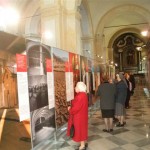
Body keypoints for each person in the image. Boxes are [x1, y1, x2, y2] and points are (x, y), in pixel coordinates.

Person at [67, 82, 88, 150]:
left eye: (76, 86)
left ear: (79, 88)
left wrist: (70, 109)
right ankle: (83, 143)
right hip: (82, 116)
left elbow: (75, 109)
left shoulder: (79, 96)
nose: (75, 88)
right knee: (82, 130)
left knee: (80, 131)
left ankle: (82, 146)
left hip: (78, 117)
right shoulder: (84, 95)